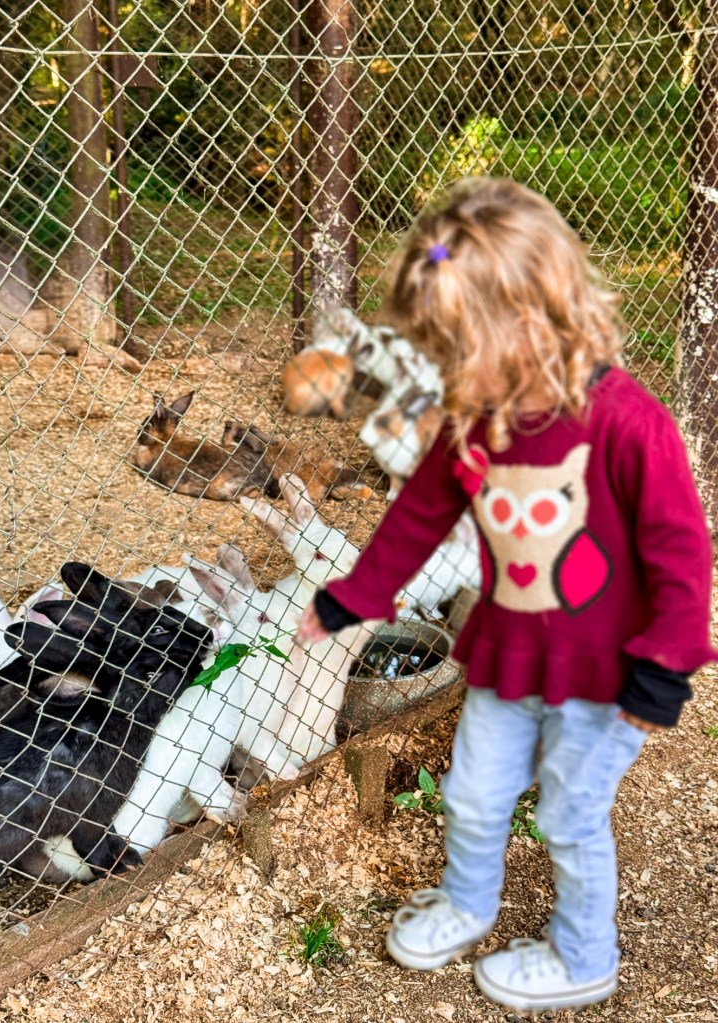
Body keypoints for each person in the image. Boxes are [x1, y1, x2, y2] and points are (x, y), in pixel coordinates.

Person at [295, 177, 716, 1013]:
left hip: (609, 676)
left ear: (531, 318)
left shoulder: (629, 422)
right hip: (510, 654)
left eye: (460, 349)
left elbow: (681, 551)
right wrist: (352, 597)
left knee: (570, 813)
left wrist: (665, 668)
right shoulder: (474, 418)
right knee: (472, 793)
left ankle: (585, 956)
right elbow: (418, 517)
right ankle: (467, 903)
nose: (447, 370)